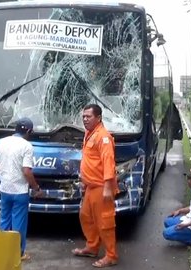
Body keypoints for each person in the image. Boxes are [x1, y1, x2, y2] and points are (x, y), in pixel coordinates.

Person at [72, 104, 119, 268]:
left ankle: (111, 256)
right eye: (83, 116)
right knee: (86, 217)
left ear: (98, 118)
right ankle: (92, 247)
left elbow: (108, 163)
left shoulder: (103, 137)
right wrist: (84, 182)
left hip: (101, 187)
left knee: (105, 222)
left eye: (88, 117)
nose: (85, 119)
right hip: (90, 187)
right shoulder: (89, 134)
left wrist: (107, 187)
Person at [0, 117, 42, 261]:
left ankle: (2, 249)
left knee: (4, 220)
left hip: (5, 189)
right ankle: (18, 253)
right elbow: (27, 171)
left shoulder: (2, 142)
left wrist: (6, 170)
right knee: (19, 223)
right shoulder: (27, 146)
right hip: (20, 191)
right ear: (29, 131)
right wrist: (36, 187)